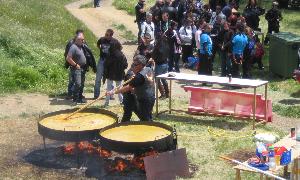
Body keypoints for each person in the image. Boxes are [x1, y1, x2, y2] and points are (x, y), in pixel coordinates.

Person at [106, 55, 155, 121]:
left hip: (144, 100)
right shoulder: (148, 69)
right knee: (147, 116)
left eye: (135, 64)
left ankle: (149, 129)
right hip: (151, 97)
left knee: (145, 119)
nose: (133, 66)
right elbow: (149, 78)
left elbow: (128, 88)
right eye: (133, 64)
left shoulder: (139, 77)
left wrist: (113, 92)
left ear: (141, 65)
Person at [94, 29, 119, 99]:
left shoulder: (115, 41)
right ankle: (96, 95)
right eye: (105, 34)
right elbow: (98, 44)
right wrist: (101, 50)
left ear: (111, 36)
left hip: (110, 62)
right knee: (98, 77)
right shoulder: (102, 39)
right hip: (102, 60)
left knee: (110, 78)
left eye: (107, 35)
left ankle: (110, 95)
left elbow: (120, 49)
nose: (106, 36)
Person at [103, 42, 128, 107]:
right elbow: (125, 65)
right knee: (119, 89)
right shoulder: (122, 55)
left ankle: (106, 103)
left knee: (108, 89)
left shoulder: (109, 54)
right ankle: (122, 101)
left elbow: (106, 64)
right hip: (119, 74)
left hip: (110, 74)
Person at [66, 33, 87, 104]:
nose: (83, 41)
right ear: (77, 40)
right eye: (82, 40)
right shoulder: (73, 47)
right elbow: (68, 58)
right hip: (76, 69)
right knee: (78, 84)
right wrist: (75, 65)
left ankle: (79, 98)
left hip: (82, 68)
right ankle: (75, 99)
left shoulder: (81, 46)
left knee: (81, 84)